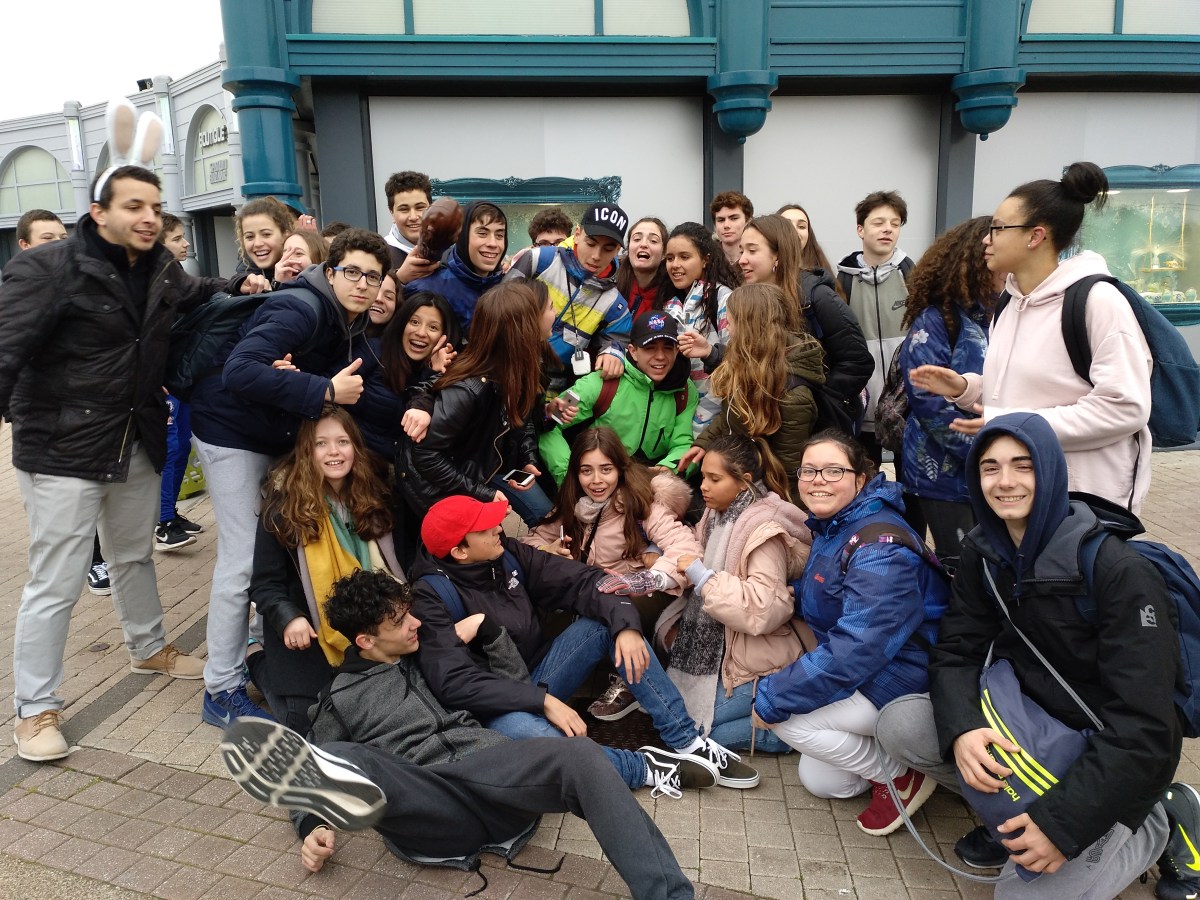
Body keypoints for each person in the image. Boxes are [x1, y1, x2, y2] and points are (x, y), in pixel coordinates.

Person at [220, 569, 697, 900]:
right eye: (400, 622)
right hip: (432, 809)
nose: (416, 623)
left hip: (497, 783)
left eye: (410, 613)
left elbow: (512, 689)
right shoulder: (341, 697)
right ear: (365, 641)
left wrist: (489, 634)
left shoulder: (434, 655)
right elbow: (310, 770)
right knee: (348, 757)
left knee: (581, 756)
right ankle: (340, 790)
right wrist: (312, 826)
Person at [885, 412, 1187, 899]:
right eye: (990, 467)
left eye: (1023, 466)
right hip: (1028, 730)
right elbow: (957, 651)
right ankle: (1015, 810)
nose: (1005, 481)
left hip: (1109, 756)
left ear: (1050, 471)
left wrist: (1061, 826)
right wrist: (963, 729)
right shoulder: (985, 553)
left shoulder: (1119, 572)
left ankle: (1158, 824)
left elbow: (1146, 727)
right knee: (901, 724)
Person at [0, 164, 237, 761]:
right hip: (63, 449)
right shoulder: (46, 267)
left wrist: (244, 283)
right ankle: (34, 710)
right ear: (99, 212)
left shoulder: (157, 265)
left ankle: (149, 649)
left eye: (154, 206)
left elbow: (192, 293)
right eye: (133, 206)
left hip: (136, 437)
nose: (149, 217)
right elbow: (5, 351)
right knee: (56, 580)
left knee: (132, 555)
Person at [408, 494, 760, 791]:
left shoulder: (506, 554)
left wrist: (626, 628)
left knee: (606, 626)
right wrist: (541, 701)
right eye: (486, 528)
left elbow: (586, 581)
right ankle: (647, 769)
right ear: (460, 551)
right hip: (492, 709)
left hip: (537, 676)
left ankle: (687, 741)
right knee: (538, 738)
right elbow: (454, 683)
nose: (500, 528)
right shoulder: (430, 596)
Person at [190, 228, 388, 727]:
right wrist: (321, 389)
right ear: (330, 271)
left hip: (270, 430)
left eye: (373, 277)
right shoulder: (300, 308)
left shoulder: (349, 321)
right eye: (352, 272)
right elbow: (239, 371)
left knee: (271, 546)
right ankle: (221, 687)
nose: (363, 284)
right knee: (241, 559)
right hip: (230, 432)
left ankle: (258, 651)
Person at [910, 162, 1153, 514]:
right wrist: (966, 388)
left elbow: (1125, 407)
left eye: (997, 228)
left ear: (1035, 236)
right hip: (1020, 492)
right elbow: (1019, 390)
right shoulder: (1009, 302)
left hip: (1082, 499)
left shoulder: (1098, 302)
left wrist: (1008, 421)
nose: (986, 239)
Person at [751, 429, 948, 836]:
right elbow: (834, 593)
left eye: (833, 470)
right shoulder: (836, 526)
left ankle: (900, 775)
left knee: (788, 720)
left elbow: (859, 645)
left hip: (904, 677)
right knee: (823, 781)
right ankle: (887, 761)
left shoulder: (879, 547)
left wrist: (775, 696)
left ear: (860, 478)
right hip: (872, 668)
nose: (817, 480)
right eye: (808, 471)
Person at [246, 407, 404, 734]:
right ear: (306, 452)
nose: (334, 451)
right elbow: (265, 584)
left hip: (368, 619)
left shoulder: (376, 495)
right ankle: (255, 658)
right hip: (311, 629)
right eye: (321, 443)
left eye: (342, 441)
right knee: (308, 722)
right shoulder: (283, 508)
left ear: (355, 447)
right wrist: (289, 618)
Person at [525, 427, 701, 718]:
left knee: (607, 613)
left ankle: (634, 684)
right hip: (594, 595)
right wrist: (550, 550)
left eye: (606, 469)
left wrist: (645, 578)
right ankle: (542, 692)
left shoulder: (640, 503)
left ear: (620, 468)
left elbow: (686, 549)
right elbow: (531, 541)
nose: (596, 480)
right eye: (586, 471)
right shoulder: (573, 503)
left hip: (643, 596)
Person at [657, 433, 813, 754]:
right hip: (731, 647)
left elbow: (765, 608)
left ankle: (801, 732)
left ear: (744, 482)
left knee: (693, 734)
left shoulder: (762, 530)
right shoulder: (715, 516)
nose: (704, 487)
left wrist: (704, 578)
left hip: (762, 662)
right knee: (676, 721)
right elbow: (692, 551)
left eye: (714, 479)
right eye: (703, 477)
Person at [396, 281, 554, 525]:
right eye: (550, 308)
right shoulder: (470, 389)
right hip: (436, 489)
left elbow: (521, 420)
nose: (555, 313)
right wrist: (483, 493)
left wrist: (528, 459)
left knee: (546, 515)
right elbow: (426, 457)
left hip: (482, 469)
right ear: (526, 326)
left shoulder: (521, 371)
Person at [897, 216, 995, 569]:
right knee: (959, 564)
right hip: (939, 471)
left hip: (989, 465)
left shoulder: (999, 315)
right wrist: (984, 448)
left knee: (988, 562)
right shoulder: (936, 320)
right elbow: (929, 403)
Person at [681, 283, 823, 507]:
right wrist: (704, 443)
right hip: (743, 486)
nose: (727, 328)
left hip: (767, 499)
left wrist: (780, 518)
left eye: (730, 322)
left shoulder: (794, 397)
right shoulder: (746, 365)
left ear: (749, 327)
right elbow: (730, 415)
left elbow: (789, 472)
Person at [735, 215, 872, 431]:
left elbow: (857, 360)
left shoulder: (817, 297)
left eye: (752, 251)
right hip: (769, 422)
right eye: (741, 251)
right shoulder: (750, 300)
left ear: (778, 255)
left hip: (815, 428)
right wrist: (711, 353)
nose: (741, 259)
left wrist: (819, 403)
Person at [538, 309, 697, 485]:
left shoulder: (685, 390)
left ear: (677, 351)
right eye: (650, 348)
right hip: (598, 480)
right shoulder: (598, 382)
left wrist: (668, 469)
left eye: (668, 348)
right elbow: (547, 425)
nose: (660, 356)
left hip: (650, 481)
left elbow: (684, 443)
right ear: (633, 351)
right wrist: (569, 477)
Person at [504, 202, 633, 389]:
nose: (596, 255)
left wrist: (614, 352)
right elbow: (498, 306)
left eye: (608, 248)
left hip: (553, 388)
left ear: (618, 250)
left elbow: (619, 337)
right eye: (591, 243)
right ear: (577, 234)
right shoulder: (538, 260)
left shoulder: (615, 305)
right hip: (506, 369)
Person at [837, 190, 916, 464]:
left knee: (910, 481)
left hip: (906, 407)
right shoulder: (844, 280)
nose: (888, 229)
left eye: (895, 224)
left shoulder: (912, 274)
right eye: (879, 223)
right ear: (860, 229)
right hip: (863, 406)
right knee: (865, 476)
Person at [154, 213, 207, 552]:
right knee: (171, 449)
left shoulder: (180, 279)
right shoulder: (151, 285)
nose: (186, 243)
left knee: (182, 448)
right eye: (176, 238)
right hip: (163, 386)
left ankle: (170, 514)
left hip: (181, 383)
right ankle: (162, 524)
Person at [661, 222, 737, 437]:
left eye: (684, 257)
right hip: (678, 415)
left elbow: (738, 360)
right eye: (670, 258)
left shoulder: (724, 299)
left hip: (716, 420)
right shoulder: (669, 303)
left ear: (705, 259)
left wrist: (709, 352)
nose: (675, 265)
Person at [404, 200, 507, 333]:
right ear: (462, 236)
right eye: (482, 233)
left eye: (499, 235)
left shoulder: (506, 286)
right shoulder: (427, 288)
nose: (493, 243)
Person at [381, 170, 439, 288]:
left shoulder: (450, 251)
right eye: (404, 209)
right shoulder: (378, 255)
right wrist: (399, 279)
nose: (413, 217)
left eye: (420, 207)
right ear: (392, 213)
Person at [231, 196, 294, 291]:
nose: (257, 243)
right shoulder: (243, 280)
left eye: (266, 234)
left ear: (285, 234)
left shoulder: (304, 272)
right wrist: (239, 284)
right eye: (250, 237)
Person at [615, 216, 671, 319]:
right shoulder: (610, 286)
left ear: (664, 253)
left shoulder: (673, 296)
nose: (643, 244)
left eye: (653, 241)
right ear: (628, 248)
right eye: (637, 239)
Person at [710, 190, 753, 270]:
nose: (726, 225)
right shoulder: (707, 259)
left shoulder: (757, 258)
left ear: (748, 221)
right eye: (721, 220)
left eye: (734, 218)